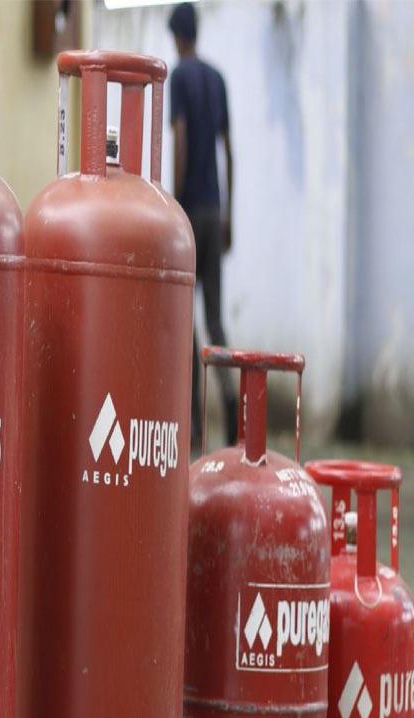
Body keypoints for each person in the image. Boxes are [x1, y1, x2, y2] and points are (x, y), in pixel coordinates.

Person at [168, 1, 238, 449]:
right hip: (215, 211)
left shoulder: (179, 77)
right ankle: (233, 409)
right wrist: (231, 213)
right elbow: (229, 150)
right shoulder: (217, 79)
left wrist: (175, 207)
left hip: (191, 212)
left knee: (187, 323)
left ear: (178, 37)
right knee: (215, 320)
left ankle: (194, 426)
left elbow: (180, 137)